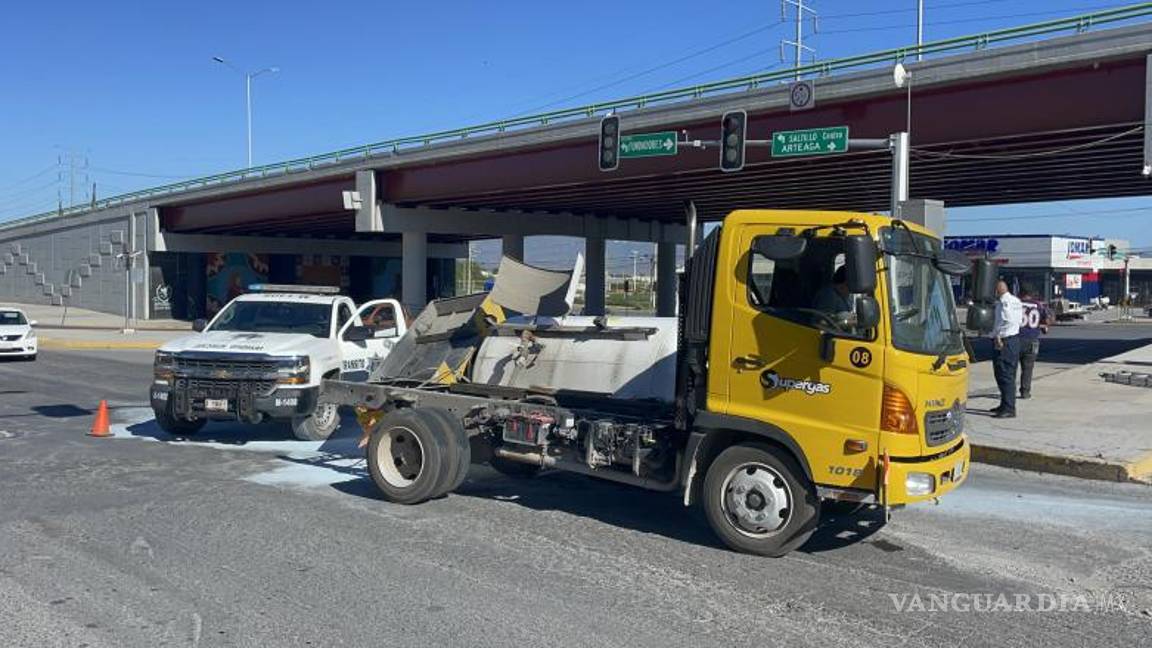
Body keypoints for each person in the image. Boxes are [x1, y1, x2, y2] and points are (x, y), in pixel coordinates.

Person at [991, 280, 1023, 418]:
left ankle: (1009, 408)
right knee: (1005, 374)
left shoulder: (1004, 303)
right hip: (1014, 339)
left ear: (997, 291)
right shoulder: (1016, 301)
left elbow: (1007, 319)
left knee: (1005, 375)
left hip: (1005, 340)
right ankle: (1004, 404)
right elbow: (1019, 320)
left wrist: (998, 335)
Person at [1017, 290, 1050, 400]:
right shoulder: (1038, 305)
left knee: (1011, 367)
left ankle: (1008, 391)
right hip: (1032, 339)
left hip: (1017, 338)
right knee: (1028, 368)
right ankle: (1025, 392)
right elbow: (1046, 321)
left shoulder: (1016, 303)